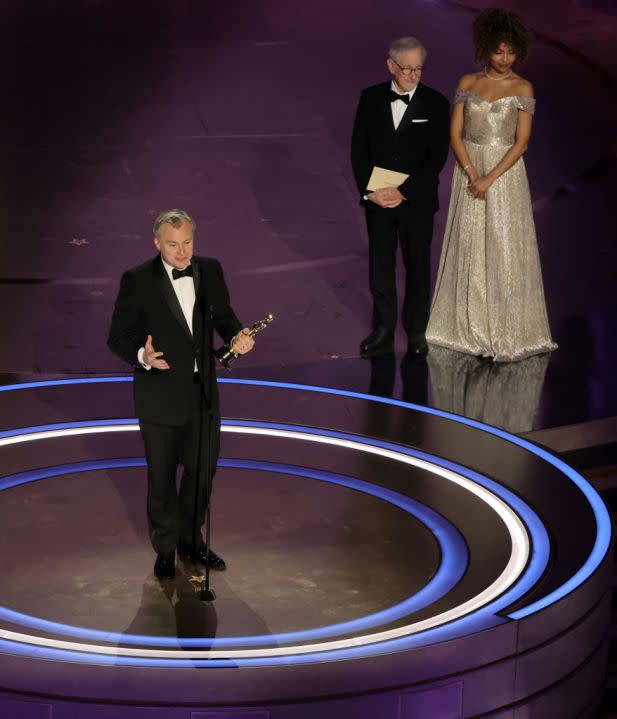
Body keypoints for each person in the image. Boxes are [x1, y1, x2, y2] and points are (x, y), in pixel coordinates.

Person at [107, 209, 254, 581]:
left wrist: (237, 336)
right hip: (158, 395)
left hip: (202, 393)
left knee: (203, 471)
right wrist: (143, 355)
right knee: (161, 477)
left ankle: (192, 541)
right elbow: (118, 336)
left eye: (187, 242)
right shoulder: (137, 280)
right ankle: (165, 549)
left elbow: (224, 317)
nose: (182, 252)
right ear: (157, 243)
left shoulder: (211, 270)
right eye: (173, 245)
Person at [426, 8, 557, 362]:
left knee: (502, 245)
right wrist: (471, 172)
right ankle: (469, 325)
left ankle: (506, 327)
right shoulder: (467, 83)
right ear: (487, 48)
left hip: (504, 174)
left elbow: (522, 143)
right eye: (499, 51)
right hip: (469, 171)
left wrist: (489, 177)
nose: (505, 58)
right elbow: (455, 133)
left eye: (511, 52)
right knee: (469, 244)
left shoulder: (523, 87)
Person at [352, 36, 450, 357]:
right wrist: (370, 192)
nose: (412, 75)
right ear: (391, 66)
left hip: (416, 201)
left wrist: (403, 190)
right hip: (378, 200)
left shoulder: (436, 103)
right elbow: (359, 151)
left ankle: (417, 330)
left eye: (418, 69)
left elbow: (436, 158)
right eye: (406, 68)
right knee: (380, 265)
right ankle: (382, 329)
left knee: (417, 265)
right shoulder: (369, 98)